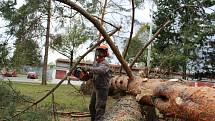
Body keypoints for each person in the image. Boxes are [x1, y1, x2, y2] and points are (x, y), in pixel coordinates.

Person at [82, 44, 111, 121]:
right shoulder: (96, 63)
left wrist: (88, 68)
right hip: (96, 87)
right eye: (98, 51)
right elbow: (92, 74)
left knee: (99, 108)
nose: (99, 53)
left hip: (102, 88)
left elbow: (100, 71)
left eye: (101, 51)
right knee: (92, 106)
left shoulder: (105, 63)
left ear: (105, 53)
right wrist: (85, 76)